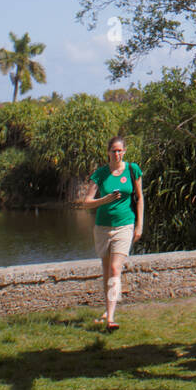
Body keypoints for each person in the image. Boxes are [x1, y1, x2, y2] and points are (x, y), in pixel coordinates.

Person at [76, 136, 144, 331]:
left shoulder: (133, 170)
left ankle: (111, 318)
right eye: (113, 150)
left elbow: (139, 198)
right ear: (108, 152)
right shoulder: (101, 174)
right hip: (103, 228)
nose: (117, 154)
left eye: (120, 150)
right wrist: (103, 200)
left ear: (124, 151)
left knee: (115, 269)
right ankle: (108, 309)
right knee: (107, 272)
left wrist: (139, 225)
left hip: (125, 225)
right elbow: (86, 202)